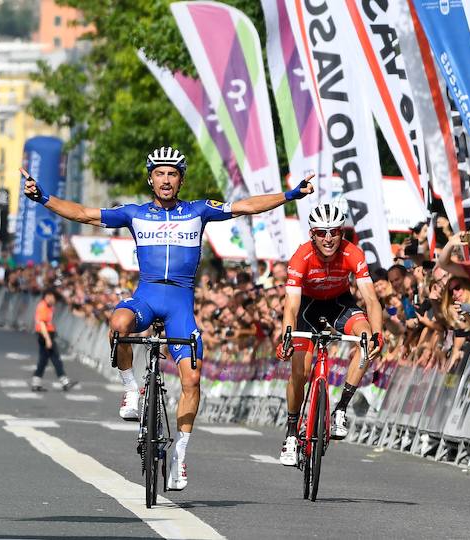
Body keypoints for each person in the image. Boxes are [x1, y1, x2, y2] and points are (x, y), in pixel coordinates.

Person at [21, 146, 313, 491]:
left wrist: (291, 194)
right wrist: (42, 197)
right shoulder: (134, 213)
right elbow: (84, 213)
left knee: (192, 380)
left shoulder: (199, 210)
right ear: (150, 178)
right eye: (159, 173)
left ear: (180, 179)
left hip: (180, 306)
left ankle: (180, 457)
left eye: (172, 173)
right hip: (146, 297)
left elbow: (247, 206)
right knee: (118, 325)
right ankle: (131, 389)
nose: (165, 179)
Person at [276, 203, 383, 466]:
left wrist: (378, 334)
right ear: (312, 233)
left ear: (341, 233)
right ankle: (291, 434)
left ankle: (340, 410)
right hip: (307, 308)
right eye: (321, 232)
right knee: (299, 372)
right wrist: (286, 337)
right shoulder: (301, 257)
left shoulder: (352, 253)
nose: (328, 238)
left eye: (334, 232)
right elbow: (290, 304)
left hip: (339, 304)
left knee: (366, 340)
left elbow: (371, 299)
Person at [31, 289, 76, 392]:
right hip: (45, 335)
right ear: (48, 296)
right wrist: (47, 339)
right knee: (55, 358)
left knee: (43, 360)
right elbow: (42, 324)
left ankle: (36, 383)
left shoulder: (49, 306)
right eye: (54, 298)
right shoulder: (43, 307)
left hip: (47, 334)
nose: (55, 300)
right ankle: (64, 381)